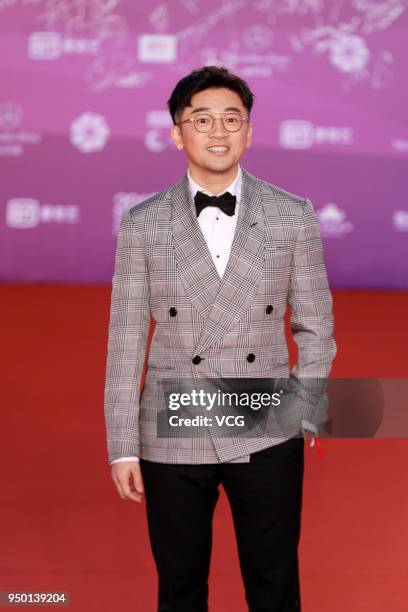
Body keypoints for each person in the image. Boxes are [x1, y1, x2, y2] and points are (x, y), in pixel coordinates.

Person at [104, 66, 337, 612]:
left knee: (275, 586)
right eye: (202, 119)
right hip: (171, 425)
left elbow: (317, 323)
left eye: (232, 120)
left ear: (249, 132)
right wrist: (121, 445)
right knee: (180, 589)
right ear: (177, 132)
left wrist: (304, 408)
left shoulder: (291, 215)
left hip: (263, 422)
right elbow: (126, 338)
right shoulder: (144, 223)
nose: (218, 132)